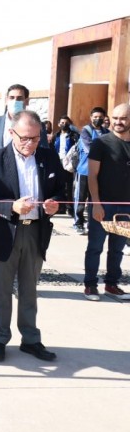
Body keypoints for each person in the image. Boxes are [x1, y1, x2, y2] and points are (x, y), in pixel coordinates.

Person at [0, 110, 65, 364]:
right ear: (11, 133)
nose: (30, 144)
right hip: (4, 232)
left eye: (35, 138)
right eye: (24, 138)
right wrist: (10, 207)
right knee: (2, 290)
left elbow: (61, 190)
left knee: (29, 289)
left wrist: (55, 204)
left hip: (35, 231)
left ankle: (31, 339)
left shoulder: (48, 157)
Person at [0, 83, 48, 296]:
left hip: (28, 190)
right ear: (6, 99)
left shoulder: (35, 125)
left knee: (24, 241)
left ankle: (18, 282)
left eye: (20, 97)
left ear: (26, 101)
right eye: (12, 97)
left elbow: (43, 152)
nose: (15, 100)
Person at [82, 103, 130, 301]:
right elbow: (92, 176)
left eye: (123, 118)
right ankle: (90, 285)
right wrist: (96, 203)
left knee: (117, 249)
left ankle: (111, 284)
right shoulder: (101, 143)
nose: (118, 122)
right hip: (103, 205)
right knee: (95, 247)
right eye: (116, 118)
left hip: (126, 208)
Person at [73, 107, 110, 235]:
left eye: (100, 117)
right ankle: (78, 223)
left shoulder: (107, 132)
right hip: (84, 170)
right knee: (80, 198)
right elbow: (90, 149)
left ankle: (91, 224)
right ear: (91, 118)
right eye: (95, 117)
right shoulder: (86, 131)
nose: (97, 119)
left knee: (94, 199)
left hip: (100, 172)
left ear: (104, 118)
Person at [53, 115, 79, 216]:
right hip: (57, 162)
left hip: (68, 163)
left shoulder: (74, 135)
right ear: (59, 124)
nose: (64, 125)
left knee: (69, 186)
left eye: (66, 123)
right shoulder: (56, 136)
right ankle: (61, 208)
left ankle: (70, 208)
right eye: (62, 123)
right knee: (59, 185)